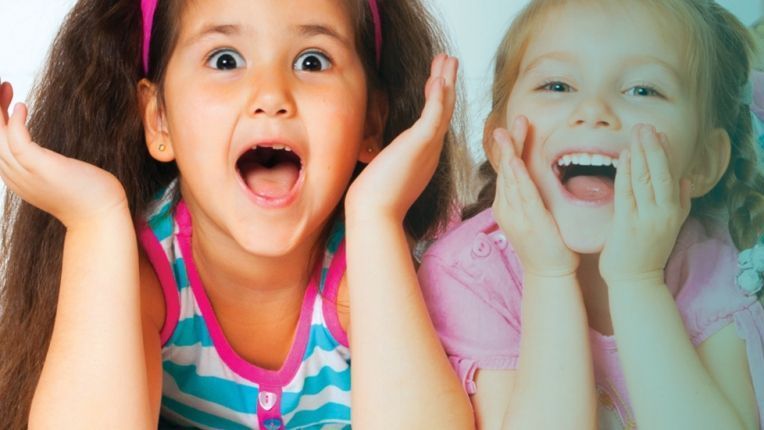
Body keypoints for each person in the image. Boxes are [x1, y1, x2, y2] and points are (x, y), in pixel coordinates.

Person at [0, 0, 475, 428]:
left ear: (372, 121)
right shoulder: (145, 275)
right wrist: (94, 222)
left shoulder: (370, 269)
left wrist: (377, 216)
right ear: (158, 119)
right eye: (225, 59)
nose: (271, 95)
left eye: (313, 60)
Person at [418, 0, 764, 428]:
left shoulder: (713, 267)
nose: (594, 111)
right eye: (558, 86)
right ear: (498, 141)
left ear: (704, 162)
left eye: (643, 90)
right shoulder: (467, 275)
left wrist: (637, 282)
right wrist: (548, 276)